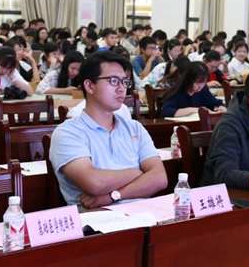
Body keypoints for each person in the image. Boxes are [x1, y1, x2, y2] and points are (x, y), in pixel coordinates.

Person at [49, 52, 167, 209]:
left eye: (124, 82)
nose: (121, 88)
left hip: (144, 214)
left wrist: (113, 196)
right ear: (89, 86)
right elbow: (94, 183)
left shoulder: (135, 128)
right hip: (97, 219)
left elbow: (159, 178)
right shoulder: (67, 133)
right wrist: (136, 173)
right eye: (114, 81)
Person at [161, 62, 227, 118]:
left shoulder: (203, 90)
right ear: (188, 80)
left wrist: (222, 107)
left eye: (204, 82)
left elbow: (217, 103)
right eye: (197, 83)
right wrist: (194, 110)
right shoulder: (177, 92)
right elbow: (166, 111)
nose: (200, 86)